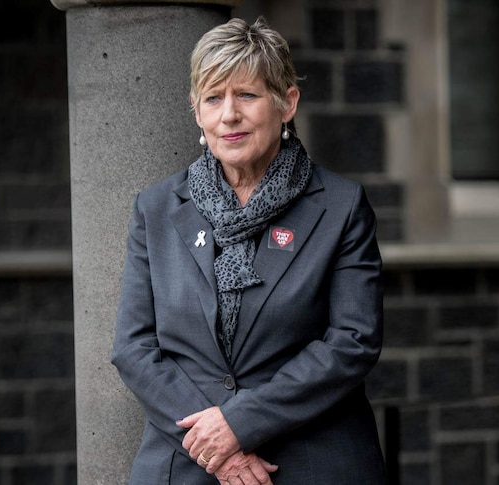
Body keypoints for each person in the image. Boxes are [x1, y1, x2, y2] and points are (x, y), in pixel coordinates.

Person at [110, 16, 386, 485]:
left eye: (248, 95)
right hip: (187, 460)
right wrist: (217, 447)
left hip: (310, 459)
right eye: (214, 98)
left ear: (287, 103)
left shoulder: (340, 206)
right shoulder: (155, 208)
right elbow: (134, 348)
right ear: (196, 112)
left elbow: (351, 342)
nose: (229, 115)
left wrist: (239, 424)